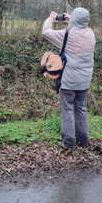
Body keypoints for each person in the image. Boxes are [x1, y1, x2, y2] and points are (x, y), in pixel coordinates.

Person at [42, 8, 95, 150]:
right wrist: (71, 20)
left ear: (74, 20)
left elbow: (46, 32)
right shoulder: (91, 34)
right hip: (84, 81)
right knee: (81, 109)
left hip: (69, 81)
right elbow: (80, 25)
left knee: (67, 109)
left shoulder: (67, 35)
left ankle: (69, 142)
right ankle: (83, 141)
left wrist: (51, 19)